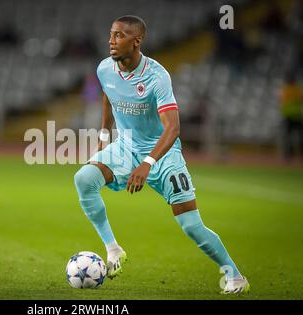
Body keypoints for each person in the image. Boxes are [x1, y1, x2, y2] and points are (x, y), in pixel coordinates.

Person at [73, 16, 249, 294]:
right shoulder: (105, 69)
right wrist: (104, 139)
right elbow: (108, 96)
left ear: (137, 41)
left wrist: (147, 163)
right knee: (84, 178)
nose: (111, 41)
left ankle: (235, 275)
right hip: (126, 147)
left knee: (191, 226)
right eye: (111, 35)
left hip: (163, 153)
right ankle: (113, 249)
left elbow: (173, 128)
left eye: (119, 36)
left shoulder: (157, 76)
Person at [279, 72, 303, 161]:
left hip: (295, 116)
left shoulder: (289, 90)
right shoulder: (291, 89)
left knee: (297, 137)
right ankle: (288, 155)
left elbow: (282, 101)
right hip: (290, 116)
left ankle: (291, 155)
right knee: (288, 138)